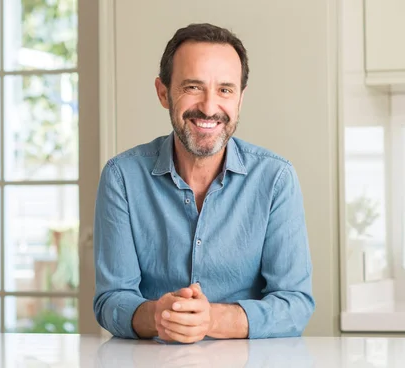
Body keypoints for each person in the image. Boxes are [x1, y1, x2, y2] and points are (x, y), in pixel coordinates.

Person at [92, 23, 315, 343]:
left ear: (240, 98)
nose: (210, 107)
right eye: (193, 87)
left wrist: (214, 319)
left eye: (225, 89)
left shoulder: (276, 178)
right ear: (163, 92)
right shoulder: (121, 177)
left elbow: (295, 304)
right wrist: (159, 316)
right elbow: (111, 300)